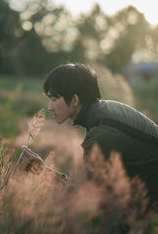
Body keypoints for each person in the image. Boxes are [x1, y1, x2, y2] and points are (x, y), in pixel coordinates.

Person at [22, 63, 158, 202]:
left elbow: (87, 194)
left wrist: (41, 172)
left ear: (74, 100)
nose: (50, 107)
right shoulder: (103, 112)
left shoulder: (102, 133)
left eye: (54, 99)